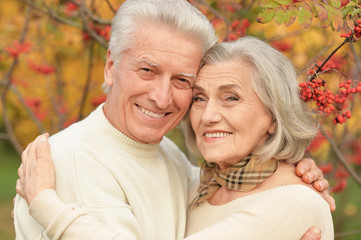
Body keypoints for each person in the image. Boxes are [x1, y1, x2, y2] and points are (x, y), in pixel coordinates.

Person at [13, 0, 334, 239]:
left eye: (182, 81)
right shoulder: (69, 163)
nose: (162, 97)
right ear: (110, 67)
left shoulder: (173, 159)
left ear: (273, 117)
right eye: (147, 70)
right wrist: (45, 203)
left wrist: (294, 177)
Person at [183, 36, 333, 239]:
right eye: (199, 98)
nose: (208, 116)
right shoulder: (194, 188)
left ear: (273, 116)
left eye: (231, 98)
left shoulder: (294, 201)